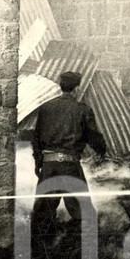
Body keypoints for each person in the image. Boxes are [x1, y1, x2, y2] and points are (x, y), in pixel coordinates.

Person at [30, 71, 107, 238]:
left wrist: (38, 164)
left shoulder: (45, 108)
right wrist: (101, 151)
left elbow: (36, 139)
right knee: (83, 212)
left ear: (61, 86)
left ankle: (41, 251)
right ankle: (82, 248)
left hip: (49, 166)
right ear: (77, 89)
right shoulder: (82, 110)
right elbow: (93, 136)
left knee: (42, 214)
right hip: (70, 167)